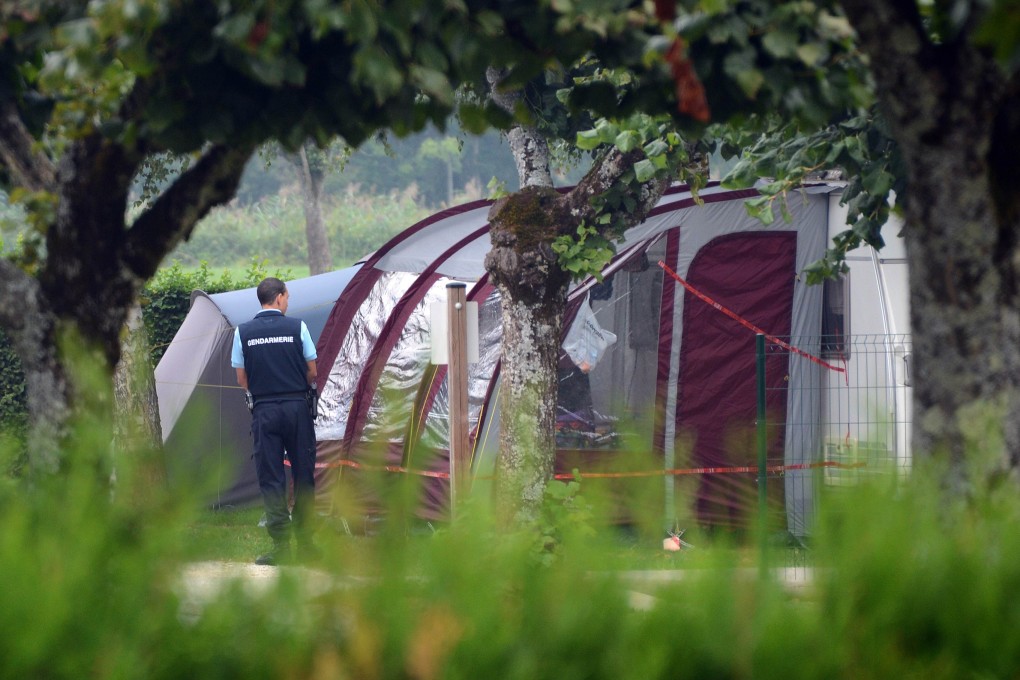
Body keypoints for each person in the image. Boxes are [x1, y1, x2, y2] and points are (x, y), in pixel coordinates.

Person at [231, 277, 320, 566]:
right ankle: (307, 546)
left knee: (271, 478)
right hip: (297, 408)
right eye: (288, 297)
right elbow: (312, 371)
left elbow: (241, 379)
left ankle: (281, 547)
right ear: (280, 297)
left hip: (264, 411)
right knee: (303, 475)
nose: (288, 301)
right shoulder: (298, 327)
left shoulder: (243, 332)